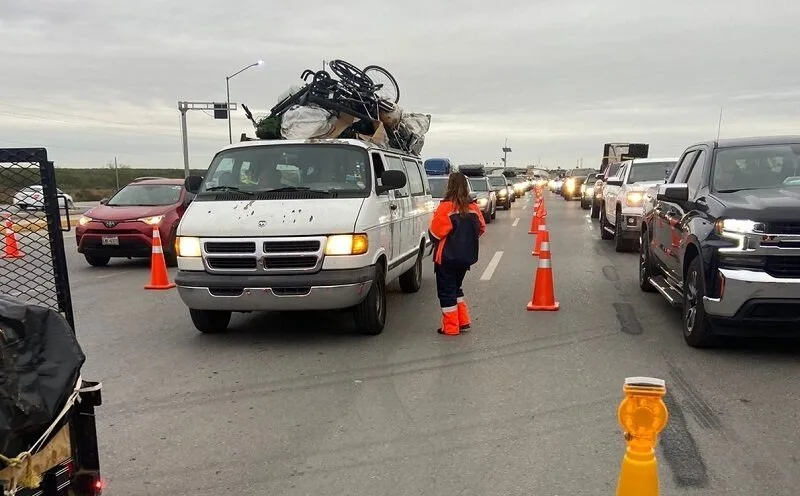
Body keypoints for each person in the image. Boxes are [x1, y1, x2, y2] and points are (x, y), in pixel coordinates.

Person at [428, 172, 486, 336]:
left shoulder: (446, 207)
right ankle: (463, 320)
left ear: (449, 186)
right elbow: (481, 228)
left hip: (446, 258)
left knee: (446, 292)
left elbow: (435, 233)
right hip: (466, 257)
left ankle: (451, 327)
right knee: (456, 288)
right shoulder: (473, 207)